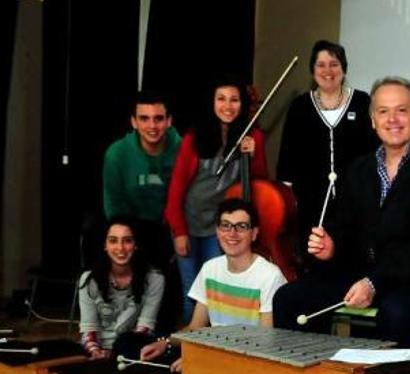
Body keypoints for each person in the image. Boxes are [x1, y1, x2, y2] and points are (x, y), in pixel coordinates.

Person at [273, 77, 410, 348]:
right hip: (362, 274)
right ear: (373, 120)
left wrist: (374, 283)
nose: (392, 119)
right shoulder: (359, 169)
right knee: (289, 299)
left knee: (395, 312)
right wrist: (331, 245)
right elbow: (343, 224)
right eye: (383, 111)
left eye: (402, 110)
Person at [165, 75, 269, 322]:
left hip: (221, 227)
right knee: (191, 294)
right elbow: (176, 189)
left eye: (234, 100)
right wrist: (179, 231)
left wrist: (254, 154)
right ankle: (188, 353)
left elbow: (261, 183)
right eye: (221, 99)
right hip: (188, 223)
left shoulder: (252, 136)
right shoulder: (194, 137)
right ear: (211, 102)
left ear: (243, 104)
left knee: (212, 293)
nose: (228, 105)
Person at [142, 199, 286, 372]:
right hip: (216, 357)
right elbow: (196, 328)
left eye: (241, 226)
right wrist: (165, 343)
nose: (232, 233)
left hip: (251, 366)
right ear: (217, 232)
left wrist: (205, 359)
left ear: (254, 233)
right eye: (225, 225)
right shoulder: (210, 269)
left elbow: (265, 342)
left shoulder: (269, 275)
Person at [277, 40, 378, 270]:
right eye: (321, 65)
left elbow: (376, 155)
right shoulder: (300, 107)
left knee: (354, 269)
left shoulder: (363, 103)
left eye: (334, 64)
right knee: (317, 273)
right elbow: (287, 161)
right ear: (313, 70)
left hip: (356, 208)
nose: (328, 71)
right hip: (311, 209)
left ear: (344, 68)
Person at [102, 90, 182, 269]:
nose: (152, 126)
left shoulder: (183, 150)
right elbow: (113, 205)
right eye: (144, 118)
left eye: (158, 118)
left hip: (170, 230)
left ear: (169, 121)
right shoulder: (117, 153)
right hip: (132, 228)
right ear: (134, 122)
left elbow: (190, 199)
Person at [78, 217, 165, 359]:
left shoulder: (155, 279)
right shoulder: (89, 280)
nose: (120, 248)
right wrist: (95, 351)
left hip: (133, 350)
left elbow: (145, 330)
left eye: (127, 240)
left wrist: (114, 354)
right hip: (95, 352)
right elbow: (88, 330)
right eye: (113, 240)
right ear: (105, 245)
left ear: (136, 245)